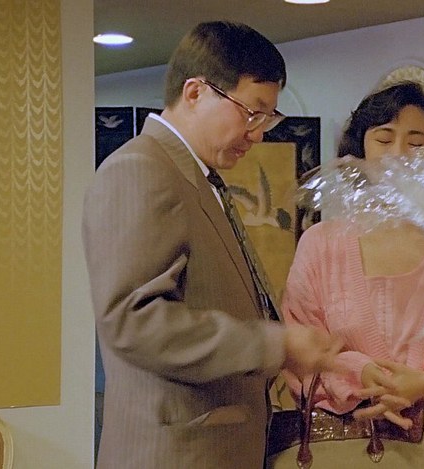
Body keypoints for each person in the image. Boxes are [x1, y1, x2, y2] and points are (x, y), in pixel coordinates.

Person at [82, 21, 341, 469]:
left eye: (268, 118)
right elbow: (132, 320)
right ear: (196, 92)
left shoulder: (195, 176)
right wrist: (272, 345)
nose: (259, 133)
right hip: (174, 454)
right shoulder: (141, 169)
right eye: (251, 112)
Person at [281, 81, 424, 468]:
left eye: (416, 143)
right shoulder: (321, 245)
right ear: (359, 150)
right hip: (346, 453)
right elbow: (298, 348)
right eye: (384, 139)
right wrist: (362, 375)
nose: (399, 153)